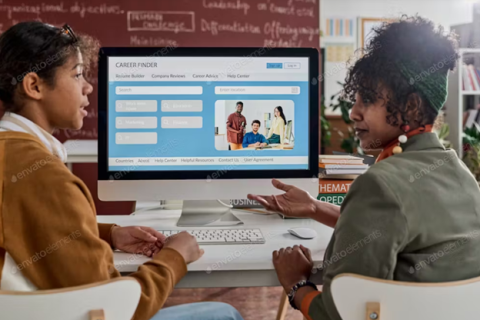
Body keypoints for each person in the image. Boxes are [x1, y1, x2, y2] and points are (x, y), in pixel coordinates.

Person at [0, 22, 243, 320]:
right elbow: (116, 306)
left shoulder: (11, 155)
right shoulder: (44, 176)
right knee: (223, 314)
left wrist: (108, 235)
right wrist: (175, 257)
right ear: (34, 86)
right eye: (77, 75)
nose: (88, 86)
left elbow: (29, 229)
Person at [248, 16, 480, 320]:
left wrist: (296, 285)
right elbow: (396, 229)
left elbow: (337, 315)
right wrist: (314, 208)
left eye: (367, 100)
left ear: (410, 106)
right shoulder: (461, 175)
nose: (353, 113)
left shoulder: (380, 184)